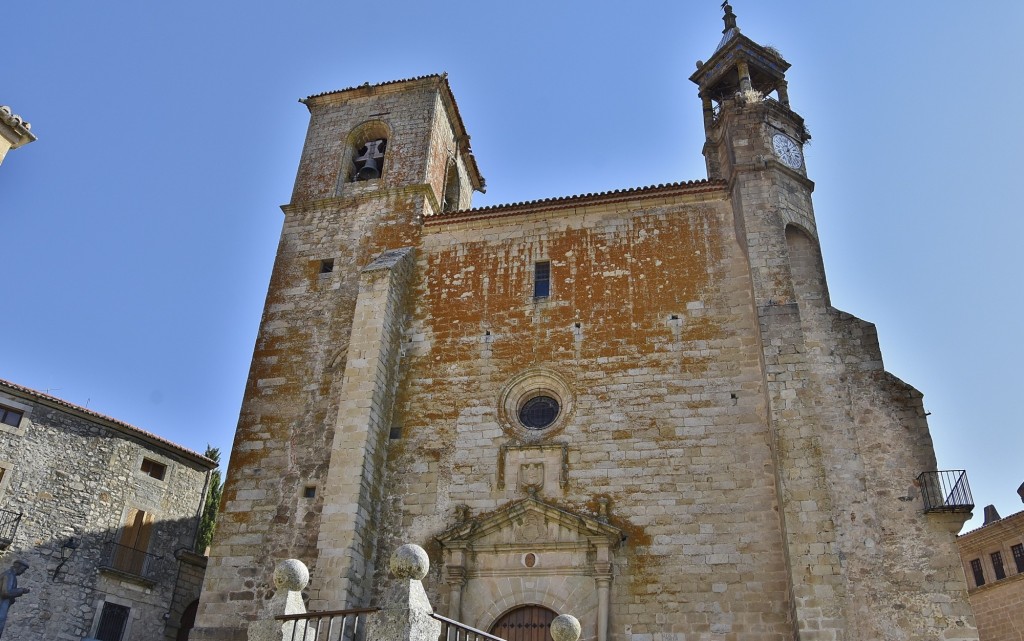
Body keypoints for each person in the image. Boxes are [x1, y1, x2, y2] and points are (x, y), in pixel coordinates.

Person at [0, 560, 29, 638]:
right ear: (18, 566)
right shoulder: (9, 575)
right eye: (23, 569)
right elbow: (5, 593)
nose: (23, 572)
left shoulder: (10, 575)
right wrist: (21, 590)